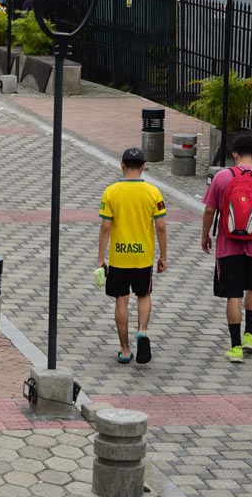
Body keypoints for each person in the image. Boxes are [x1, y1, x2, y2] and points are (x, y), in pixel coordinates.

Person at [201, 134, 252, 363]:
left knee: (233, 295)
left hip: (228, 246)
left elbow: (209, 211)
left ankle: (236, 347)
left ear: (234, 155)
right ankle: (250, 335)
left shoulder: (222, 177)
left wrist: (205, 235)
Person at [98, 148, 168, 364]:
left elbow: (105, 227)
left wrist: (101, 258)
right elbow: (161, 227)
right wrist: (163, 255)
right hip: (143, 257)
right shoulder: (153, 192)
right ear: (143, 166)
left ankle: (125, 349)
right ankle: (142, 330)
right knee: (144, 295)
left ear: (122, 165)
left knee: (121, 299)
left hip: (119, 257)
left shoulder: (111, 192)